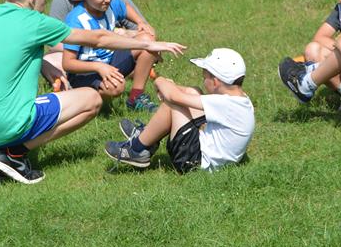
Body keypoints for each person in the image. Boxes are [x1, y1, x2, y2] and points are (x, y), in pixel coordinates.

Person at [0, 0, 186, 184]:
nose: (44, 5)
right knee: (91, 99)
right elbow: (98, 38)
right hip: (2, 122)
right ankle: (13, 155)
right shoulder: (34, 21)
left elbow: (0, 52)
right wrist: (147, 44)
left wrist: (44, 64)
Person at [104, 48, 255, 173]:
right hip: (209, 156)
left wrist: (160, 81)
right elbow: (182, 94)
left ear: (215, 82)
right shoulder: (239, 100)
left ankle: (137, 149)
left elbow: (173, 97)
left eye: (204, 77)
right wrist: (171, 88)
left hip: (194, 162)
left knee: (172, 104)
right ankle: (147, 135)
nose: (203, 80)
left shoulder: (225, 104)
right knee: (193, 91)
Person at [42, 0, 150, 92]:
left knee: (147, 42)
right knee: (49, 61)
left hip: (111, 52)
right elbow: (53, 42)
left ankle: (136, 89)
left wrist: (126, 34)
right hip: (78, 56)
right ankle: (70, 86)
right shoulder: (65, 0)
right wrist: (87, 43)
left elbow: (140, 27)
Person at [63, 0, 159, 110]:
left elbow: (124, 6)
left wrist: (140, 22)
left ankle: (136, 97)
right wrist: (98, 67)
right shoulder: (76, 20)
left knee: (148, 41)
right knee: (116, 87)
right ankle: (92, 104)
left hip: (110, 61)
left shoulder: (110, 4)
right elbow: (68, 63)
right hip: (86, 73)